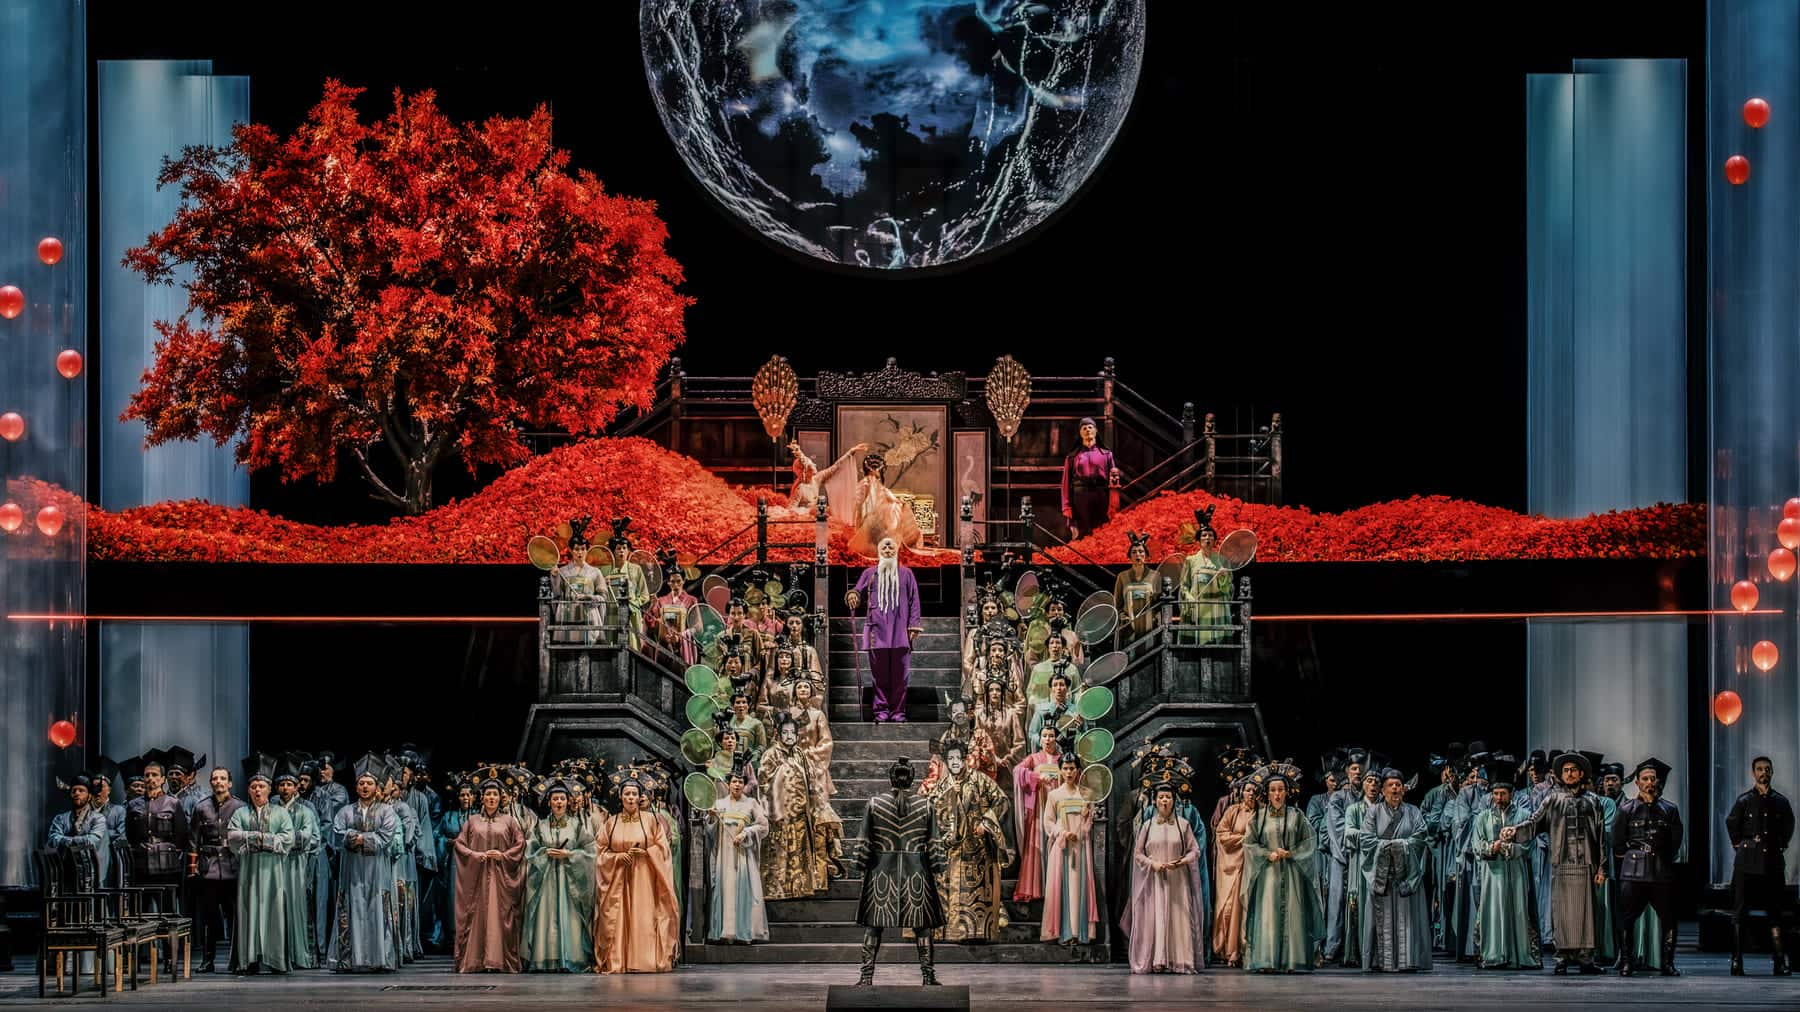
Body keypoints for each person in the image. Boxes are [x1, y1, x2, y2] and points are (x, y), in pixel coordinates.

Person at [1500, 751, 1606, 974]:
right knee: (1562, 913)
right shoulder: (1553, 800)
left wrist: (1602, 867)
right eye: (1566, 770)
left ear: (1581, 774)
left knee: (1587, 915)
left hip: (1587, 865)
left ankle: (1586, 959)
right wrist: (1514, 831)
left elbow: (1601, 838)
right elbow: (1533, 823)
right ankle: (1562, 959)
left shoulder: (1593, 801)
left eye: (1573, 770)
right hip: (1561, 864)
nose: (1569, 774)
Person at [853, 757, 945, 987]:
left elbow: (864, 842)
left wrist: (860, 864)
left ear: (890, 778)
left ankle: (866, 977)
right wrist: (937, 866)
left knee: (874, 926)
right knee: (922, 928)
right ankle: (928, 976)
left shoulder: (875, 804)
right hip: (917, 872)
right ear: (911, 779)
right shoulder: (926, 806)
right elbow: (934, 843)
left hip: (880, 871)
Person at [928, 738, 1013, 944]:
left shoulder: (980, 779)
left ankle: (977, 932)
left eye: (958, 758)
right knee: (950, 887)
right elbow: (931, 810)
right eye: (950, 759)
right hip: (952, 848)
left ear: (965, 759)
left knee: (976, 892)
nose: (955, 762)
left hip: (978, 846)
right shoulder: (942, 785)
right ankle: (952, 931)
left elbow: (1002, 800)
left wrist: (987, 822)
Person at [594, 774, 680, 974]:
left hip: (645, 877)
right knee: (617, 918)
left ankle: (643, 960)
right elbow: (600, 851)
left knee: (644, 917)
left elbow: (663, 849)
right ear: (621, 797)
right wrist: (617, 857)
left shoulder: (651, 820)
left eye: (634, 794)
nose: (631, 798)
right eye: (627, 794)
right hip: (618, 879)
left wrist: (647, 853)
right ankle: (619, 960)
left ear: (640, 797)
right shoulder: (611, 822)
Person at [1242, 772, 1325, 972]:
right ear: (1267, 793)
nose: (1277, 794)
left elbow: (1310, 841)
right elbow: (1249, 844)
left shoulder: (1297, 816)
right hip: (1268, 874)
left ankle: (1293, 960)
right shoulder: (1259, 818)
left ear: (1287, 792)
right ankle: (1267, 960)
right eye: (1273, 790)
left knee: (1294, 913)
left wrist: (1292, 853)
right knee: (1268, 914)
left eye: (1280, 790)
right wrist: (1267, 854)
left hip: (1292, 872)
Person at [1123, 779, 1207, 973]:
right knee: (1157, 916)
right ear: (1155, 801)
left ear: (1173, 801)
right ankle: (1158, 959)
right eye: (1161, 797)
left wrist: (1182, 862)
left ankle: (1180, 959)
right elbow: (1138, 853)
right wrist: (1153, 864)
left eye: (1168, 797)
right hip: (1155, 879)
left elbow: (1195, 851)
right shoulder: (1147, 826)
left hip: (1178, 879)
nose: (1164, 801)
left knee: (1179, 917)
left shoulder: (1183, 825)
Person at [329, 758, 402, 972]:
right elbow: (337, 834)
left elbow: (386, 836)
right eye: (361, 783)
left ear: (376, 787)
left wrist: (359, 838)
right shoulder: (345, 811)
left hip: (377, 869)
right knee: (353, 906)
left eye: (369, 783)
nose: (365, 787)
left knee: (376, 906)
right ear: (356, 787)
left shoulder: (386, 811)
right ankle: (351, 959)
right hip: (352, 870)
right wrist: (361, 837)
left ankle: (379, 958)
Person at [1355, 769, 1431, 972]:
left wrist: (1399, 846)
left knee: (1408, 917)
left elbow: (1421, 836)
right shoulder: (1373, 812)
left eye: (1398, 785)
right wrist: (1388, 847)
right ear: (1383, 790)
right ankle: (1380, 960)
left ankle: (1408, 960)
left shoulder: (1413, 812)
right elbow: (1366, 839)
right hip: (1383, 875)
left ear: (1404, 789)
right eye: (1390, 785)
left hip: (1406, 874)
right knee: (1382, 916)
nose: (1395, 788)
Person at [1612, 757, 1682, 977]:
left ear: (1658, 781)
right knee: (1627, 919)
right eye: (1645, 779)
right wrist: (1633, 855)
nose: (1649, 782)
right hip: (1633, 872)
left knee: (1669, 918)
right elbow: (1617, 841)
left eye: (1652, 778)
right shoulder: (1626, 809)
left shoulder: (1669, 809)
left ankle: (1667, 963)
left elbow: (1675, 841)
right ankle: (1627, 963)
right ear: (1638, 783)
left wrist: (1662, 857)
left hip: (1661, 872)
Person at [1726, 754, 1794, 975]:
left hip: (1772, 862)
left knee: (1775, 910)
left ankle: (1779, 960)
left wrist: (1780, 844)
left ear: (1772, 772)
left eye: (1767, 769)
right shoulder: (1744, 800)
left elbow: (1788, 826)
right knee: (1740, 911)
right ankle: (1736, 960)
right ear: (1753, 773)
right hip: (1747, 862)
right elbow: (1732, 823)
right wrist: (1740, 845)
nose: (1763, 772)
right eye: (1759, 769)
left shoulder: (1780, 801)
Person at [845, 536, 924, 722]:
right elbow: (856, 591)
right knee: (879, 676)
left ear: (897, 551)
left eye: (891, 548)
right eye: (884, 548)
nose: (888, 550)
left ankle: (898, 712)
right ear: (879, 552)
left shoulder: (906, 574)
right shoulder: (869, 573)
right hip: (877, 632)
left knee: (900, 676)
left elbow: (914, 600)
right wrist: (853, 596)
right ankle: (881, 711)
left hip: (900, 633)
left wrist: (914, 624)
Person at [1468, 760, 1537, 969]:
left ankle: (1518, 955)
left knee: (1518, 910)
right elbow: (1476, 845)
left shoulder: (1523, 816)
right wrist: (1493, 847)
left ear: (1511, 794)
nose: (1499, 798)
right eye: (1496, 794)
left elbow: (1528, 845)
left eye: (1503, 794)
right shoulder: (1482, 818)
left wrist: (1509, 847)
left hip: (1516, 872)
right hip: (1492, 874)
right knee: (1492, 910)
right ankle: (1493, 954)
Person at [226, 766, 295, 975]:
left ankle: (275, 959)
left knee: (274, 909)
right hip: (249, 871)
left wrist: (261, 839)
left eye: (262, 786)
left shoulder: (280, 813)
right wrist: (252, 837)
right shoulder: (240, 813)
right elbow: (232, 836)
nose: (257, 790)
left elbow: (289, 838)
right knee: (248, 909)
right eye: (254, 787)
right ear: (249, 790)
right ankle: (249, 959)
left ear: (269, 789)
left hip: (273, 872)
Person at [759, 713, 836, 901]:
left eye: (792, 732)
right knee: (779, 852)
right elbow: (763, 784)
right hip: (779, 815)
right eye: (785, 732)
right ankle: (777, 889)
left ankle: (799, 887)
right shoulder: (770, 754)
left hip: (801, 812)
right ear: (778, 734)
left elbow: (811, 779)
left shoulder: (800, 754)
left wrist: (817, 803)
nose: (789, 736)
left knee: (799, 851)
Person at [452, 779, 524, 973]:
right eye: (488, 794)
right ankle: (476, 960)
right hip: (477, 877)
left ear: (500, 798)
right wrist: (475, 855)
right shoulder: (472, 821)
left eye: (495, 794)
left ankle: (498, 960)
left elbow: (520, 844)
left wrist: (504, 855)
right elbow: (459, 844)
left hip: (501, 877)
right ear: (482, 797)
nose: (492, 798)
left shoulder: (509, 821)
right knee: (476, 914)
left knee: (500, 914)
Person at [523, 779, 595, 972]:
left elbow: (590, 852)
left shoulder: (577, 825)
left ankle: (570, 958)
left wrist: (569, 854)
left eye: (562, 798)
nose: (559, 802)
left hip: (569, 879)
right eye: (555, 799)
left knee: (569, 917)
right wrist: (543, 853)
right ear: (549, 802)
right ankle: (545, 958)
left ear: (568, 801)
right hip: (545, 879)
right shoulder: (540, 826)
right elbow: (530, 852)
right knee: (545, 917)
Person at [706, 761, 770, 944]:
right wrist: (712, 818)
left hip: (743, 856)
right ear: (728, 784)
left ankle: (746, 930)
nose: (737, 785)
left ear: (744, 784)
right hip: (724, 856)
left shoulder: (751, 803)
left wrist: (745, 833)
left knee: (745, 890)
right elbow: (710, 831)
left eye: (740, 782)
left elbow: (764, 826)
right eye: (734, 781)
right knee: (726, 890)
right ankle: (727, 932)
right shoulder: (719, 804)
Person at [189, 765, 244, 974]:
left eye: (222, 778)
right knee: (209, 917)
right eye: (215, 778)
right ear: (211, 782)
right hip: (209, 868)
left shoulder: (240, 806)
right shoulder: (201, 807)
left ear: (229, 783)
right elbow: (193, 840)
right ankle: (207, 959)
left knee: (234, 916)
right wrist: (193, 868)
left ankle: (237, 959)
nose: (218, 782)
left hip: (232, 868)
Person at [1041, 750, 1099, 945]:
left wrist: (1085, 822)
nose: (1068, 772)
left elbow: (1090, 822)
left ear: (1078, 770)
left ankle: (1079, 933)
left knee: (1079, 887)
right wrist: (1063, 832)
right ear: (1060, 770)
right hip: (1062, 846)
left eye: (1072, 768)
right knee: (1061, 886)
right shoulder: (1054, 795)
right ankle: (1063, 933)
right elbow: (1048, 821)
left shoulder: (1087, 794)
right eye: (1065, 768)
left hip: (1081, 846)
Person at [273, 759, 320, 970]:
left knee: (297, 907)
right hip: (273, 864)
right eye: (282, 784)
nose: (285, 788)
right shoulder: (271, 807)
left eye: (289, 784)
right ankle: (276, 955)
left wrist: (284, 840)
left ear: (296, 787)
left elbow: (314, 838)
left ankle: (300, 954)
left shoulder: (305, 810)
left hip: (296, 864)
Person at [1322, 749, 1366, 964]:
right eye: (1354, 768)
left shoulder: (1369, 796)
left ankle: (1359, 947)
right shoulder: (1338, 797)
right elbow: (1337, 828)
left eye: (1361, 769)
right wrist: (1349, 852)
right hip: (1342, 857)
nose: (1358, 772)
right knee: (1338, 903)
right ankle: (1334, 946)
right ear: (1347, 771)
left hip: (1364, 858)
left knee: (1361, 902)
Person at [1012, 726, 1062, 903]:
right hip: (1039, 808)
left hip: (1058, 809)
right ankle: (1037, 886)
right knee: (1038, 843)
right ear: (1039, 739)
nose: (1048, 739)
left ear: (1056, 739)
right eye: (1044, 736)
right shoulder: (1033, 758)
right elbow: (1017, 771)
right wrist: (1037, 777)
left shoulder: (1061, 759)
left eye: (1051, 736)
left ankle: (1055, 886)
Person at [848, 450, 929, 557]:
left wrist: (896, 503)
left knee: (895, 509)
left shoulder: (868, 484)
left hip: (874, 519)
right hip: (869, 519)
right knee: (893, 512)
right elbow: (859, 504)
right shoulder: (866, 484)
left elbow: (886, 496)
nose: (876, 476)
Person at [1213, 779, 1255, 966]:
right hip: (1236, 865)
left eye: (1254, 791)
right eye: (1248, 790)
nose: (1251, 794)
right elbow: (1221, 834)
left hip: (1255, 867)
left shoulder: (1262, 813)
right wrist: (1243, 840)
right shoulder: (1233, 811)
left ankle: (1250, 950)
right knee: (1233, 906)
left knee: (1250, 907)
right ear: (1242, 793)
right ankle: (1233, 950)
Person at [551, 520, 613, 645]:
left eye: (583, 549)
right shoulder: (563, 572)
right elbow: (557, 594)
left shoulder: (595, 572)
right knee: (569, 650)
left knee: (588, 649)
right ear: (571, 550)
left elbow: (604, 597)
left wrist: (590, 597)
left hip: (589, 615)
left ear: (587, 550)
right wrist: (554, 577)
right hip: (568, 616)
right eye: (576, 549)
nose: (580, 552)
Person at [1178, 508, 1233, 645]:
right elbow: (1184, 586)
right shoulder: (1191, 560)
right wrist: (1189, 598)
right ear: (1199, 540)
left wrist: (1223, 578)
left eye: (1210, 535)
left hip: (1217, 609)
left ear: (1215, 540)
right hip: (1197, 608)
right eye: (1204, 535)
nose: (1207, 538)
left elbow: (1229, 589)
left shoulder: (1222, 561)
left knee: (1217, 646)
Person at [49, 775, 109, 894]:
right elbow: (53, 838)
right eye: (74, 791)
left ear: (89, 796)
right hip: (65, 869)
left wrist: (66, 841)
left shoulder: (98, 819)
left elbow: (92, 840)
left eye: (81, 791)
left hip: (90, 869)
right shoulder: (61, 818)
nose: (77, 793)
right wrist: (74, 841)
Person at [1061, 416, 1119, 538]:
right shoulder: (1072, 457)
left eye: (1090, 427)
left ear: (1096, 430)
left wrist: (1112, 504)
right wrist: (1066, 506)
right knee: (1081, 534)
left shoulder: (1106, 455)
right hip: (1079, 498)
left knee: (1101, 533)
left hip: (1101, 497)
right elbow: (1065, 484)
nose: (1087, 430)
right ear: (1080, 433)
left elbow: (1113, 482)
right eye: (1084, 428)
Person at [1113, 531, 1161, 643]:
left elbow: (1159, 604)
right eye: (1134, 552)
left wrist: (1157, 619)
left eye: (1141, 551)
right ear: (1129, 556)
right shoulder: (1122, 577)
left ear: (1146, 555)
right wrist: (1123, 617)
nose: (1137, 555)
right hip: (1129, 627)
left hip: (1149, 626)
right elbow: (1117, 604)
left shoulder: (1155, 576)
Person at [975, 675, 1027, 771]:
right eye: (991, 690)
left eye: (998, 690)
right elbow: (977, 741)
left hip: (1006, 765)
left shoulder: (1011, 713)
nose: (994, 693)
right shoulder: (980, 714)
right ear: (987, 693)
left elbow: (1020, 743)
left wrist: (1006, 760)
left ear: (1003, 693)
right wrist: (991, 758)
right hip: (986, 764)